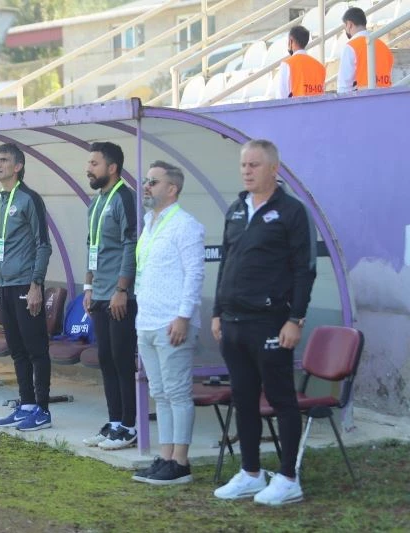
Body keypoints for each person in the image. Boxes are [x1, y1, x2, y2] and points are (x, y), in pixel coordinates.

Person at [212, 140, 316, 506]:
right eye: (244, 164)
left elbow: (304, 270)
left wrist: (295, 319)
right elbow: (226, 263)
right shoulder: (236, 209)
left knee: (281, 398)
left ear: (274, 169)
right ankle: (251, 472)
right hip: (234, 322)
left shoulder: (292, 211)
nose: (246, 171)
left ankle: (288, 478)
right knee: (244, 399)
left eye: (254, 165)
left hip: (271, 323)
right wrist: (217, 311)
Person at [130, 161, 205, 485]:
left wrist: (183, 316)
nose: (146, 186)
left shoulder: (185, 225)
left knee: (177, 392)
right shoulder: (149, 223)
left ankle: (181, 462)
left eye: (153, 182)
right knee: (160, 393)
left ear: (172, 189)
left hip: (172, 322)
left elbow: (195, 274)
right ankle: (165, 457)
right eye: (146, 181)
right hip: (147, 321)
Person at [0, 143, 53, 431]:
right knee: (16, 349)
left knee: (35, 348)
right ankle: (26, 404)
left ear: (18, 166)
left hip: (26, 284)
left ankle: (43, 410)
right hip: (5, 285)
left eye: (4, 160)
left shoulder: (29, 199)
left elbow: (43, 244)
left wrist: (36, 283)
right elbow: (0, 246)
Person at [80, 142, 138, 450]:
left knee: (122, 359)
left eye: (94, 164)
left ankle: (129, 426)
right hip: (100, 293)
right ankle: (114, 422)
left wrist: (122, 290)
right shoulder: (96, 201)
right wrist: (88, 287)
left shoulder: (124, 198)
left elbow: (131, 244)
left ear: (112, 167)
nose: (88, 169)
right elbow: (92, 245)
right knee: (106, 358)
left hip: (119, 295)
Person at [338, 7, 394, 93]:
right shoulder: (384, 47)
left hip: (363, 98)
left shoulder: (350, 46)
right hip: (386, 97)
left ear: (349, 24)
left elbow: (344, 86)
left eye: (345, 26)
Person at [276, 25, 326, 99]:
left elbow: (281, 97)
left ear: (290, 41)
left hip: (296, 106)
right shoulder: (320, 67)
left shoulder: (287, 64)